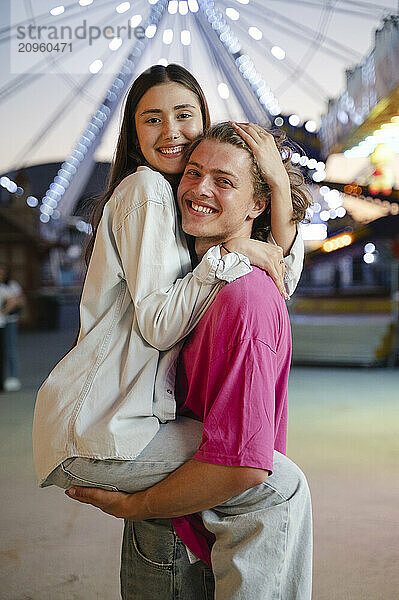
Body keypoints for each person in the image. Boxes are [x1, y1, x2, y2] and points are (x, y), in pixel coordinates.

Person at [32, 65, 308, 596]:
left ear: (204, 118)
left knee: (244, 466)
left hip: (119, 421)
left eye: (184, 115)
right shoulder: (149, 193)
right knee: (275, 481)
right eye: (151, 119)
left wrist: (272, 185)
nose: (171, 132)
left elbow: (279, 278)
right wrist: (234, 248)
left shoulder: (181, 213)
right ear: (133, 135)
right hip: (105, 427)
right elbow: (160, 324)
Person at [0, 264, 24, 392]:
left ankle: (14, 377)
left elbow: (19, 301)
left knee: (10, 348)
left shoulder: (12, 285)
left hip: (10, 320)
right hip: (1, 322)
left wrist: (4, 311)